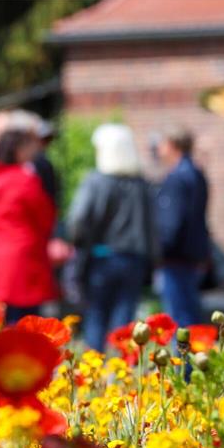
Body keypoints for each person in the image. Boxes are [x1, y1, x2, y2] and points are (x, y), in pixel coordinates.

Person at [67, 124, 159, 351]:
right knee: (125, 323)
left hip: (102, 259)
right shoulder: (142, 185)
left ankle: (95, 374)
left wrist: (80, 243)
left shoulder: (96, 181)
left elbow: (78, 220)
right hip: (134, 261)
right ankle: (122, 376)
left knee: (96, 316)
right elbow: (152, 228)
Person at [0, 130, 57, 323]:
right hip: (22, 258)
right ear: (19, 150)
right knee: (25, 323)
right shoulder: (26, 180)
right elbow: (45, 217)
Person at [154, 126, 211, 327]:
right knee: (189, 312)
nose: (158, 149)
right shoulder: (196, 173)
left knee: (179, 318)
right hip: (193, 254)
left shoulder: (176, 178)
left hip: (176, 257)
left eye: (161, 144)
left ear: (172, 145)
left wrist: (159, 252)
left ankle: (184, 359)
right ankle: (193, 357)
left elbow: (172, 222)